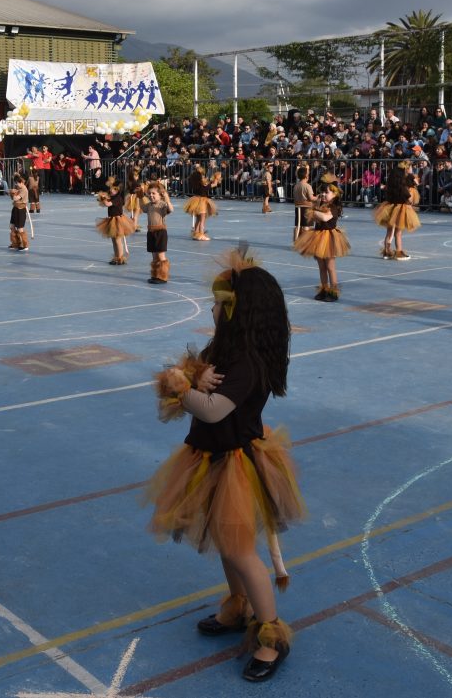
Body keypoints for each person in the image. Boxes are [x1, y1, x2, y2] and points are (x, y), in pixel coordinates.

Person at [147, 246, 306, 683]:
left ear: (237, 311)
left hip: (234, 460)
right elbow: (199, 375)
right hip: (210, 456)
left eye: (218, 303)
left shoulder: (247, 363)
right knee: (224, 539)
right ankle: (238, 606)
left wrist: (183, 390)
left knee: (239, 549)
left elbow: (213, 409)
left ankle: (271, 636)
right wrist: (191, 377)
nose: (212, 308)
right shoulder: (225, 348)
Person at [294, 180, 349, 301]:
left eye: (327, 192)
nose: (323, 194)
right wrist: (316, 208)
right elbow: (314, 218)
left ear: (334, 194)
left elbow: (325, 217)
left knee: (330, 266)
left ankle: (333, 291)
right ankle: (324, 289)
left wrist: (314, 212)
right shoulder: (320, 206)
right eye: (322, 192)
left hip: (329, 238)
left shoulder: (334, 207)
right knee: (321, 266)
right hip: (318, 237)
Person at [373, 163, 420, 260]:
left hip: (389, 207)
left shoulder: (391, 186)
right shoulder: (403, 188)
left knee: (389, 232)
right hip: (400, 209)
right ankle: (399, 252)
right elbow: (409, 200)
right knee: (398, 232)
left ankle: (387, 252)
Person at [96, 176, 136, 266]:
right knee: (114, 240)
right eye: (111, 189)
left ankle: (120, 257)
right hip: (111, 220)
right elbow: (105, 202)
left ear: (118, 190)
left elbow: (107, 204)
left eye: (114, 189)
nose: (111, 191)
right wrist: (102, 198)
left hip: (118, 221)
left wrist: (103, 198)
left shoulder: (118, 199)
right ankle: (116, 256)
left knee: (118, 240)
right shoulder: (112, 197)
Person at [144, 180, 173, 284]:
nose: (151, 195)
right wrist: (139, 197)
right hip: (151, 232)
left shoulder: (162, 205)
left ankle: (162, 276)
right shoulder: (149, 205)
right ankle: (155, 275)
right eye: (149, 193)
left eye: (154, 193)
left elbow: (171, 209)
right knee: (154, 255)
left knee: (161, 255)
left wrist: (167, 199)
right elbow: (142, 207)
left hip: (160, 232)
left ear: (160, 195)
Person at [184, 165, 218, 241]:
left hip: (196, 201)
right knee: (202, 220)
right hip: (202, 202)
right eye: (203, 177)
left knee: (198, 219)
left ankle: (196, 233)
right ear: (200, 178)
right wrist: (216, 178)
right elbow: (213, 185)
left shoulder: (195, 183)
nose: (204, 178)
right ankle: (201, 234)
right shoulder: (203, 186)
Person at [291, 165, 314, 245]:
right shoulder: (308, 186)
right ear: (306, 175)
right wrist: (318, 197)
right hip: (307, 207)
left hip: (298, 207)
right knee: (306, 226)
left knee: (298, 225)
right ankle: (305, 243)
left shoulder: (296, 186)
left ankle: (296, 242)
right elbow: (311, 198)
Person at [8, 173, 30, 252]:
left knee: (20, 228)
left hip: (21, 210)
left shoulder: (24, 189)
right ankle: (15, 243)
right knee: (12, 226)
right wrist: (12, 193)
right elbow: (13, 198)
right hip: (15, 208)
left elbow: (16, 198)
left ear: (21, 182)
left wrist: (13, 193)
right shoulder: (18, 188)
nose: (16, 185)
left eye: (17, 183)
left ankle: (25, 245)